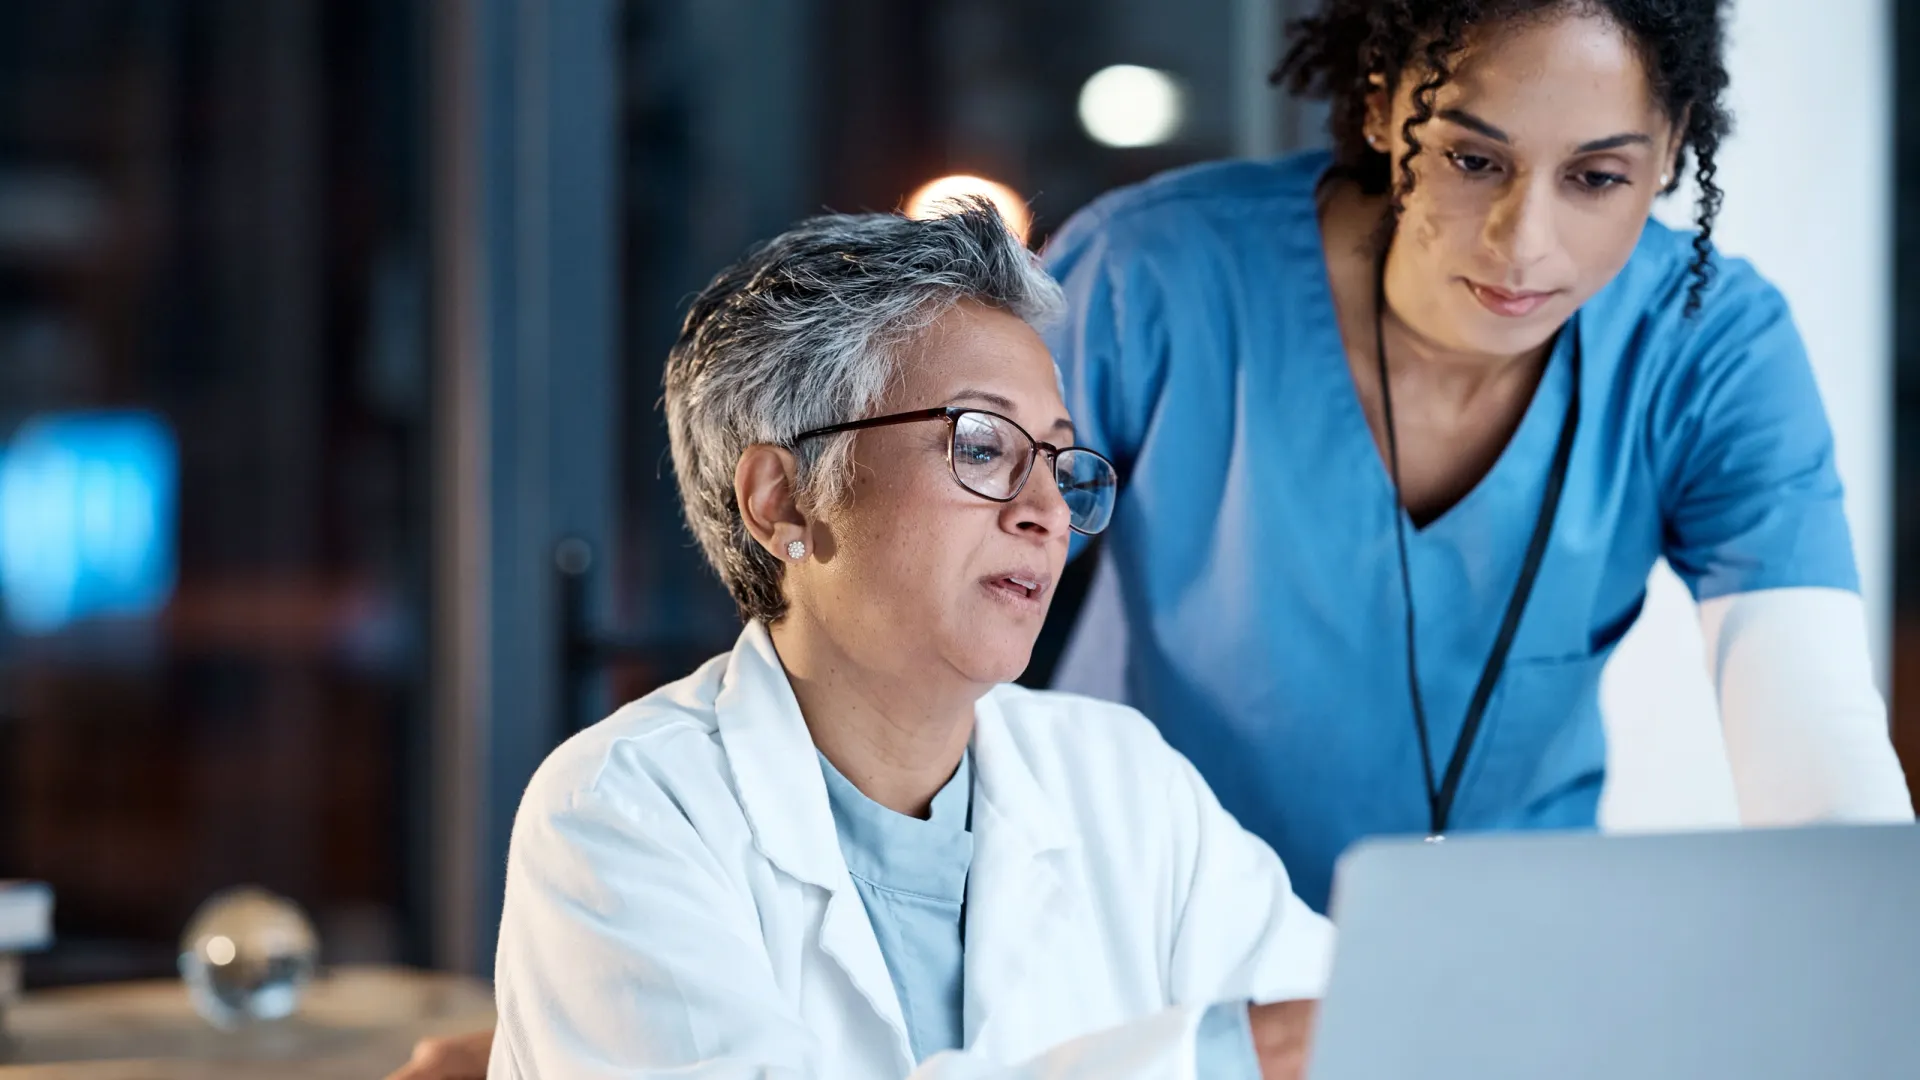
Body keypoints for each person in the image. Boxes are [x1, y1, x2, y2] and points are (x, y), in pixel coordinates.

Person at [1041, 0, 1911, 912]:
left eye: (1597, 177)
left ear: (1670, 149)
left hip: (1495, 941)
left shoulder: (1707, 350)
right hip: (1140, 920)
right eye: (1472, 159)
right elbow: (950, 604)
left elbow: (1820, 757)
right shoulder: (1153, 273)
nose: (1522, 243)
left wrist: (1861, 941)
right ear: (1381, 105)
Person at [474, 204, 1330, 1079]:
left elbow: (1352, 1029)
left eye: (1060, 461)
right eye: (983, 445)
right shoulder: (625, 809)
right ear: (782, 501)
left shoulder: (1124, 782)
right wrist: (1215, 1059)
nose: (1046, 512)